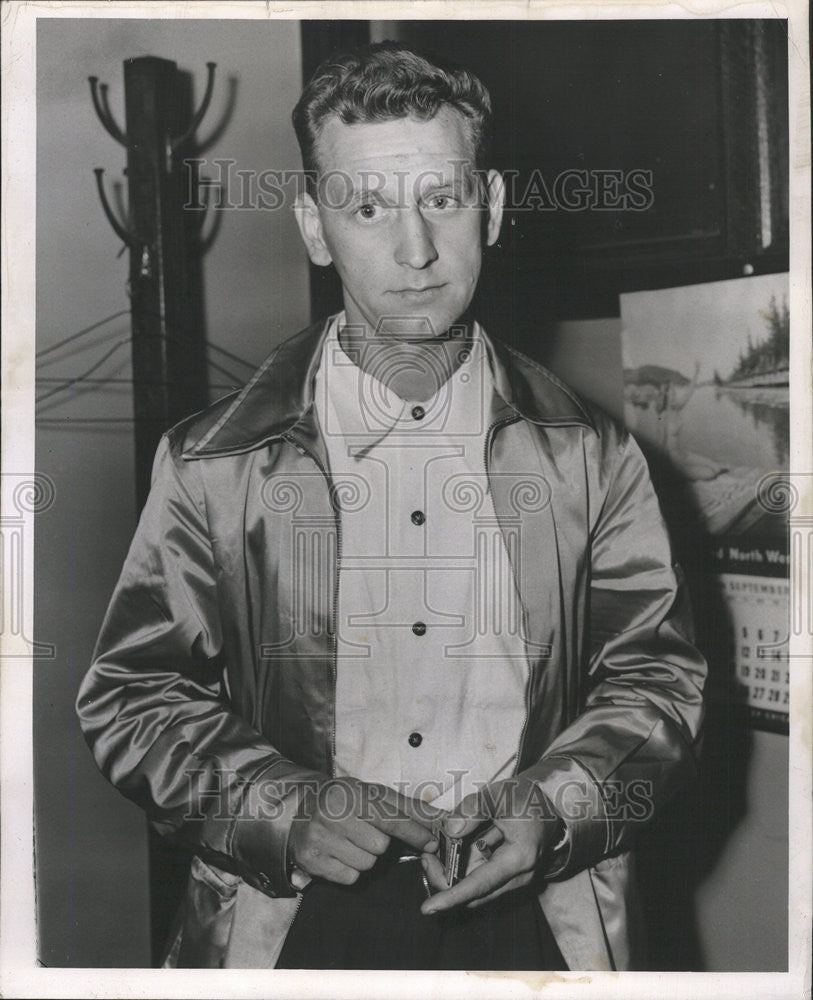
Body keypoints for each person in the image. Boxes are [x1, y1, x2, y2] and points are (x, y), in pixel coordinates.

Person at [76, 41, 707, 971]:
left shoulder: (593, 458)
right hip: (290, 917)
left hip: (537, 914)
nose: (414, 252)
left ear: (487, 208)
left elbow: (658, 684)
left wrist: (552, 805)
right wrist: (279, 807)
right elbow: (130, 698)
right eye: (367, 208)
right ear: (314, 226)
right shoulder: (214, 464)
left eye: (441, 200)